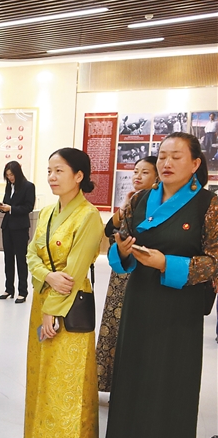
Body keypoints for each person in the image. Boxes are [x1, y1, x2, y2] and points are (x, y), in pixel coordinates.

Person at [104, 132, 217, 438]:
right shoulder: (140, 199)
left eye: (176, 156)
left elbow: (214, 262)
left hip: (179, 309)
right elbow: (119, 243)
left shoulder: (208, 205)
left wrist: (168, 263)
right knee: (132, 377)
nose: (166, 163)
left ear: (195, 163)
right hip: (139, 300)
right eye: (162, 156)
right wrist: (122, 252)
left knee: (172, 385)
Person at [22, 147, 104, 438]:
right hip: (43, 299)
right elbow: (31, 253)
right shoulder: (46, 212)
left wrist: (51, 311)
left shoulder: (88, 216)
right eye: (49, 171)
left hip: (68, 305)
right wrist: (46, 276)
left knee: (64, 380)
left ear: (79, 176)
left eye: (59, 171)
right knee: (40, 373)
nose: (52, 177)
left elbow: (75, 269)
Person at [96, 156, 158, 391]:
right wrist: (123, 206)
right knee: (114, 327)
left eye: (145, 172)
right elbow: (109, 230)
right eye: (135, 171)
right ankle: (111, 383)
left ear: (157, 177)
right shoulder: (132, 200)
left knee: (133, 329)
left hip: (142, 273)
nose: (137, 176)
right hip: (120, 273)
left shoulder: (156, 203)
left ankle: (130, 387)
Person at [0, 161, 36, 303]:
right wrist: (2, 207)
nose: (10, 178)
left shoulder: (28, 186)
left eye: (12, 175)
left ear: (18, 173)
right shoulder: (9, 186)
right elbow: (7, 202)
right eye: (7, 175)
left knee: (20, 259)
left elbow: (28, 207)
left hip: (20, 227)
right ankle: (9, 289)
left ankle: (22, 291)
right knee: (8, 259)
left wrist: (11, 209)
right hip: (7, 226)